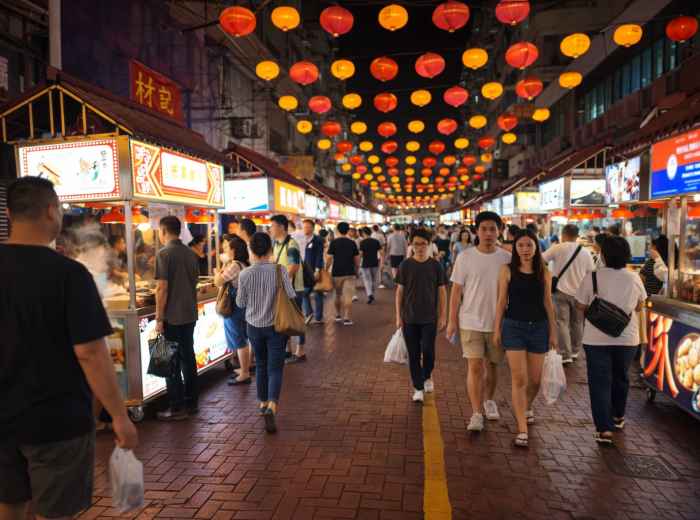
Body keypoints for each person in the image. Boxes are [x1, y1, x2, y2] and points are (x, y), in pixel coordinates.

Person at [0, 178, 138, 520]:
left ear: (8, 213)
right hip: (56, 422)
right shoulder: (68, 275)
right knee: (56, 513)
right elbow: (90, 353)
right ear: (51, 211)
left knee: (10, 506)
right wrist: (119, 416)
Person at [575, 236, 647, 444]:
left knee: (599, 382)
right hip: (626, 338)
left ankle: (604, 429)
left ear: (604, 255)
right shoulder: (633, 278)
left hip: (596, 339)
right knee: (621, 377)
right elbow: (640, 306)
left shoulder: (593, 276)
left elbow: (580, 305)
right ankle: (618, 416)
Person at [447, 212, 511, 432]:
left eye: (493, 229)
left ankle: (489, 400)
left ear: (500, 231)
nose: (488, 233)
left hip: (497, 323)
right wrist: (451, 321)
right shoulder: (465, 257)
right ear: (476, 231)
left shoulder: (506, 258)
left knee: (492, 366)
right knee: (474, 366)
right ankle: (476, 413)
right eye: (484, 229)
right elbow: (456, 292)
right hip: (470, 321)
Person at [493, 230, 558, 447]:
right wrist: (497, 329)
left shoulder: (544, 272)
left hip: (539, 327)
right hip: (513, 327)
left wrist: (553, 331)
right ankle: (522, 428)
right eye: (520, 245)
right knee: (519, 379)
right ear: (515, 248)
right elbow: (501, 301)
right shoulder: (507, 270)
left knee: (535, 380)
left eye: (529, 245)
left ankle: (527, 405)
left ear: (536, 247)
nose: (525, 249)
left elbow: (548, 303)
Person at [236, 232, 297, 433]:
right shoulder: (280, 271)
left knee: (260, 365)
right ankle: (272, 404)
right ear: (270, 250)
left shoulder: (244, 274)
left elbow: (240, 303)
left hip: (253, 326)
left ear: (251, 250)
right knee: (275, 368)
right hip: (276, 327)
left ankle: (262, 403)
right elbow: (291, 295)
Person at [155, 215, 201, 420]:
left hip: (171, 316)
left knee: (170, 361)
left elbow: (161, 288)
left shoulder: (163, 254)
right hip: (190, 313)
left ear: (163, 231)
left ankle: (176, 407)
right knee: (188, 358)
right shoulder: (191, 254)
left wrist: (158, 318)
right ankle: (192, 403)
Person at [396, 228, 448, 403]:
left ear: (429, 245)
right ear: (411, 244)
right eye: (416, 244)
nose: (419, 247)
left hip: (429, 318)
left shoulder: (435, 266)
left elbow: (442, 292)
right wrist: (398, 315)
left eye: (423, 244)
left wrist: (443, 316)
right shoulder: (405, 265)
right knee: (413, 353)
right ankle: (418, 387)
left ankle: (426, 376)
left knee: (428, 351)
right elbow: (399, 293)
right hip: (409, 317)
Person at [542, 224, 595, 365]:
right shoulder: (586, 253)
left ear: (563, 234)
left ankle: (565, 355)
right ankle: (575, 350)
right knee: (578, 323)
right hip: (580, 293)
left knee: (562, 323)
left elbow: (541, 260)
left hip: (560, 291)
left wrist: (548, 274)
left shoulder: (558, 248)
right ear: (577, 236)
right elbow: (591, 273)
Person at [215, 235, 252, 386]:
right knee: (242, 337)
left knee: (239, 339)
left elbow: (218, 281)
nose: (225, 250)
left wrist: (218, 272)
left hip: (235, 307)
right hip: (242, 305)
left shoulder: (235, 265)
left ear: (234, 250)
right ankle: (244, 369)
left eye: (227, 247)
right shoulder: (243, 264)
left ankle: (244, 373)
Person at [270, 214, 306, 363]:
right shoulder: (276, 244)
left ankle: (301, 351)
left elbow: (294, 266)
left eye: (272, 226)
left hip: (294, 288)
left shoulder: (291, 245)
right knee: (286, 320)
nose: (270, 229)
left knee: (296, 320)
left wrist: (281, 280)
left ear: (281, 227)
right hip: (283, 289)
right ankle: (288, 350)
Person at [326, 221, 360, 325]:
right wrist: (357, 270)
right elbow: (357, 259)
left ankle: (337, 315)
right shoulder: (352, 243)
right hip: (350, 272)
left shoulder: (333, 243)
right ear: (348, 230)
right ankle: (347, 317)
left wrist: (326, 269)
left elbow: (329, 258)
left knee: (337, 295)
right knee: (348, 296)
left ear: (337, 230)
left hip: (337, 272)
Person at [359, 227, 382, 304]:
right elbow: (381, 253)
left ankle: (370, 295)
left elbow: (361, 254)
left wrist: (358, 263)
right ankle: (372, 294)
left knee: (367, 280)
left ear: (364, 233)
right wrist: (382, 262)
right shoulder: (376, 241)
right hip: (375, 263)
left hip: (365, 263)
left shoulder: (362, 242)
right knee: (374, 280)